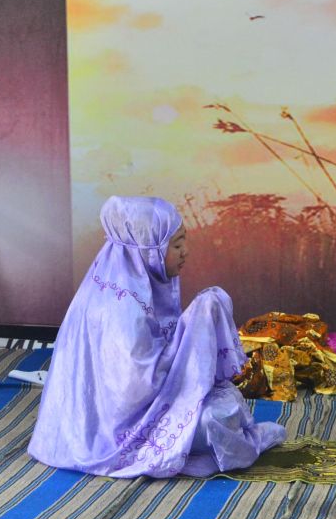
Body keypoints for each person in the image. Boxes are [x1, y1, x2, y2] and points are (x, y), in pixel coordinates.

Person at [28, 196, 286, 478]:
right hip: (118, 427)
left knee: (226, 408)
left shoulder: (124, 284)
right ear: (148, 250)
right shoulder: (123, 309)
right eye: (176, 245)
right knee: (217, 419)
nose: (185, 252)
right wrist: (197, 326)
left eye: (184, 241)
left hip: (119, 413)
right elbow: (135, 389)